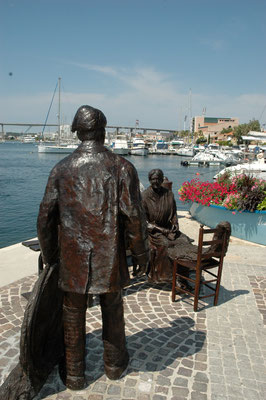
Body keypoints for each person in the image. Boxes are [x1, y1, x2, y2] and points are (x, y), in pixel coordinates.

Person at [37, 105, 150, 391]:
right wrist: (141, 254)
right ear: (103, 131)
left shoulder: (61, 169)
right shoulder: (123, 168)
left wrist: (52, 257)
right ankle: (114, 365)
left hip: (72, 259)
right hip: (109, 258)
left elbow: (45, 219)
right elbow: (135, 217)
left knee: (72, 312)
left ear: (77, 133)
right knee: (112, 308)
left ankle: (75, 375)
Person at [141, 169, 192, 286]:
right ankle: (167, 276)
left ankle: (183, 275)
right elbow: (144, 221)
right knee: (165, 244)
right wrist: (161, 230)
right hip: (153, 231)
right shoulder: (144, 196)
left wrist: (175, 224)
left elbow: (174, 213)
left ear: (162, 179)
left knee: (185, 241)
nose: (156, 181)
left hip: (168, 228)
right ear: (149, 180)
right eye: (153, 179)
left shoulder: (169, 194)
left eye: (158, 179)